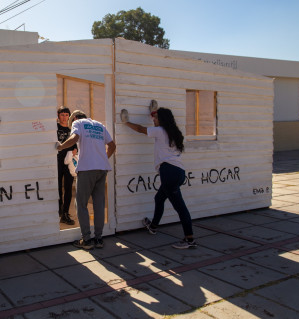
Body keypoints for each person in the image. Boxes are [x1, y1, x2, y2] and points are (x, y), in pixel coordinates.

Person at [122, 107, 197, 249]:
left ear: (161, 120)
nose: (154, 121)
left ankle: (190, 239)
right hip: (178, 172)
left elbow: (139, 129)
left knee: (180, 208)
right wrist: (154, 112)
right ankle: (153, 226)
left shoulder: (160, 131)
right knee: (159, 198)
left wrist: (126, 122)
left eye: (156, 119)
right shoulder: (174, 132)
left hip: (169, 173)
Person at [57, 110, 115, 250]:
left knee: (81, 204)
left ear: (75, 118)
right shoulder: (99, 125)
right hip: (102, 169)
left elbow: (74, 138)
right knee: (99, 204)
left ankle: (87, 240)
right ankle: (99, 239)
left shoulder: (78, 123)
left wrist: (60, 147)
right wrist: (102, 159)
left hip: (87, 169)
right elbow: (112, 146)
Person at [56, 106, 76, 225]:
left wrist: (75, 150)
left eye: (66, 115)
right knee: (58, 187)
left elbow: (77, 142)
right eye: (62, 115)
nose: (64, 117)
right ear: (58, 116)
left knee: (68, 188)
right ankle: (59, 209)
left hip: (69, 163)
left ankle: (65, 213)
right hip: (57, 161)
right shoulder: (55, 128)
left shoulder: (72, 129)